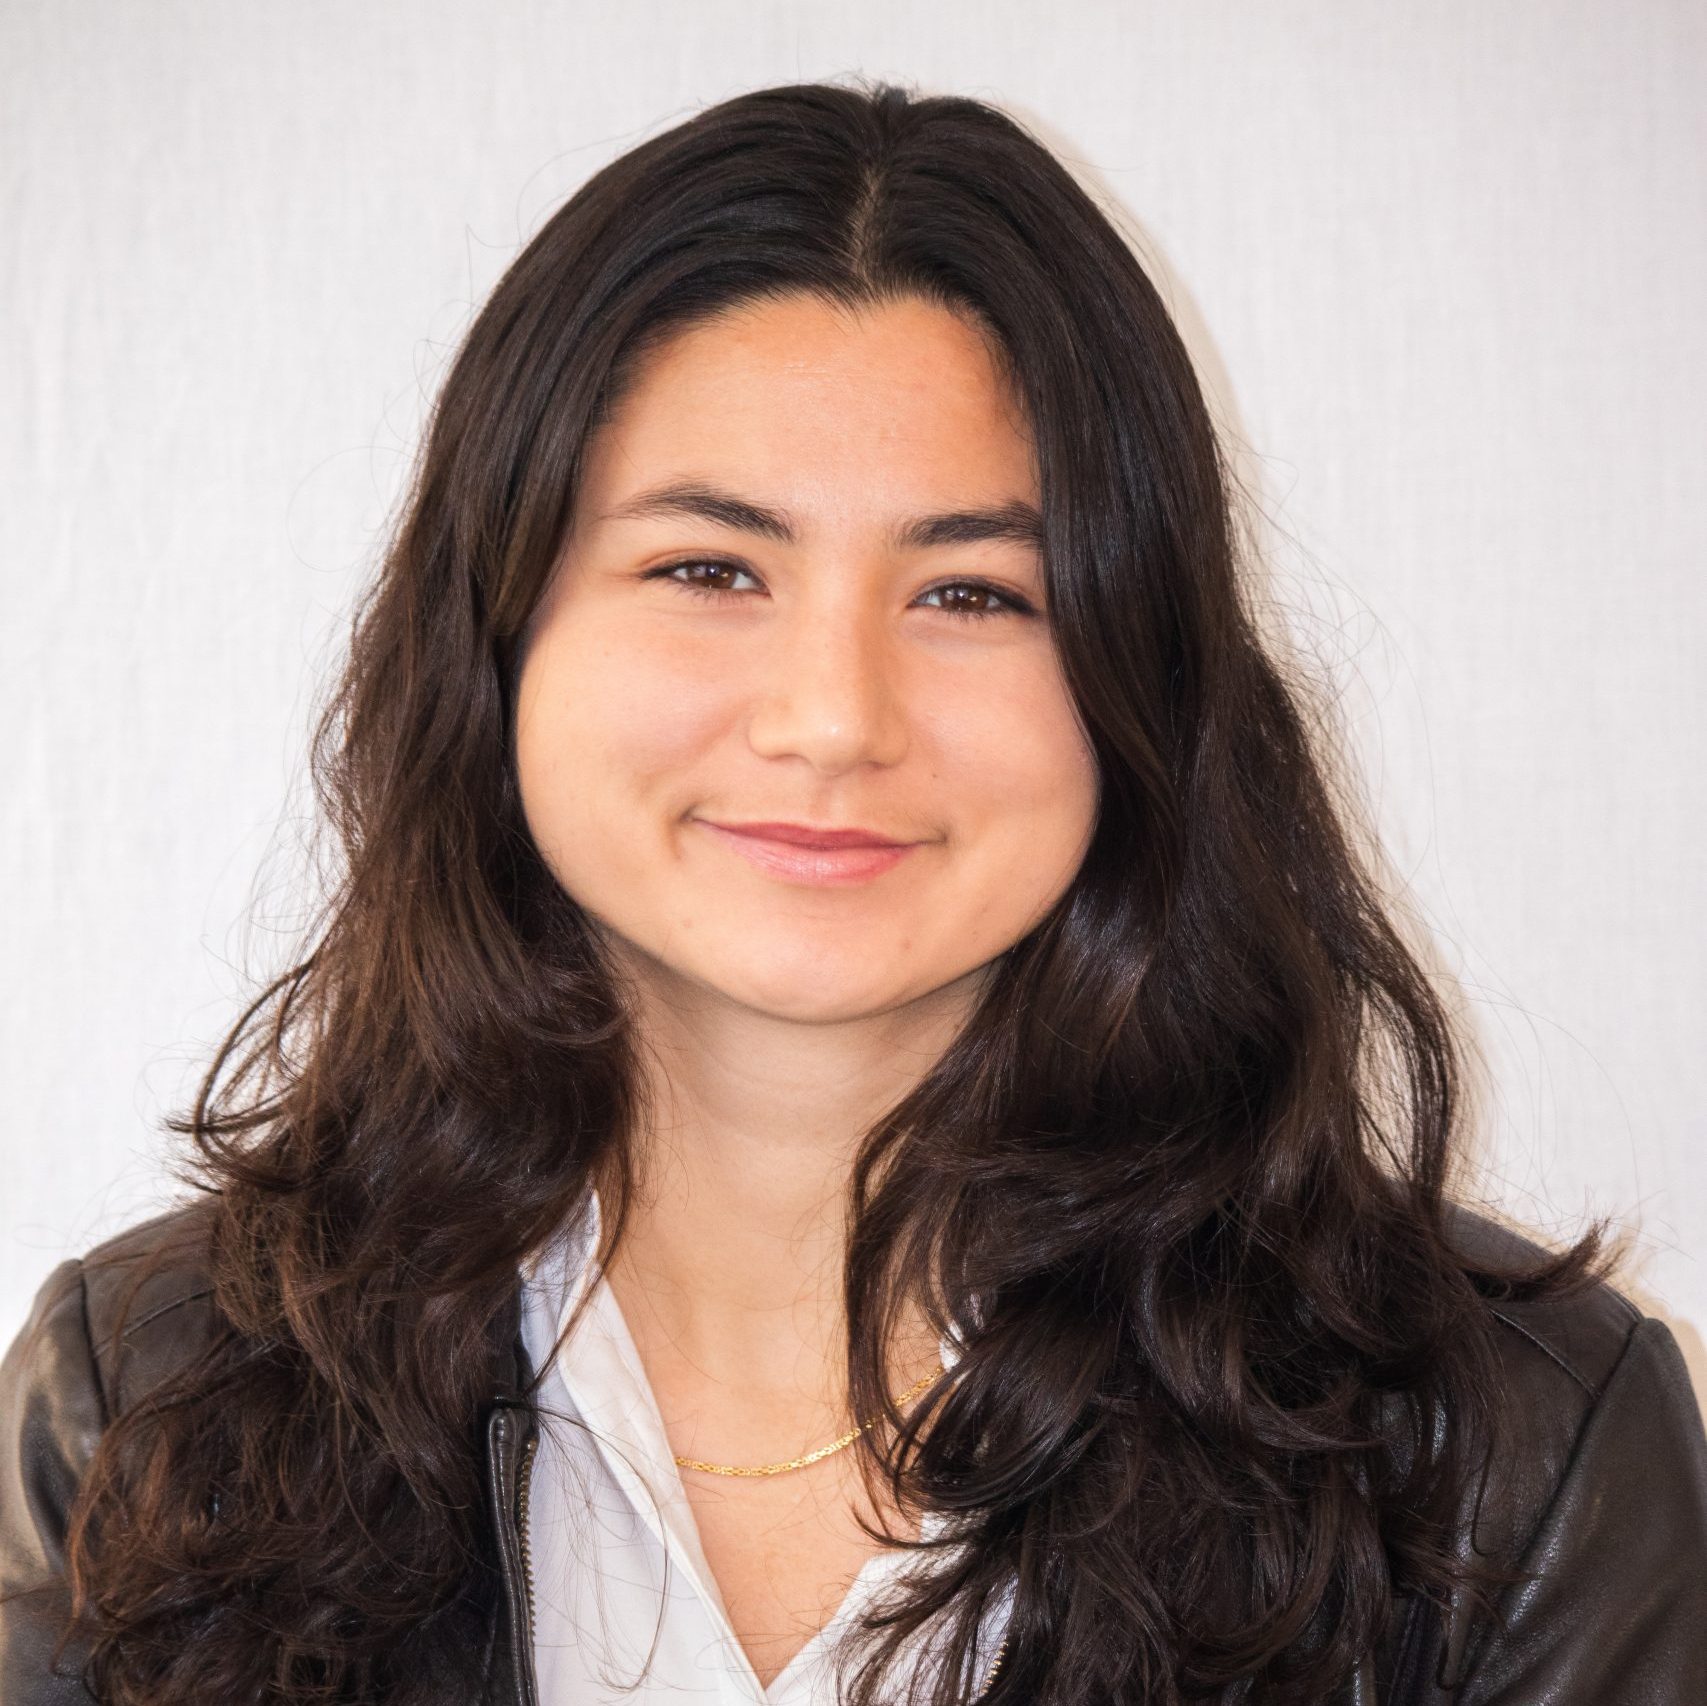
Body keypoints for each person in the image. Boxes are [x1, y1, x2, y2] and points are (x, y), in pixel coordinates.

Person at [2, 76, 1704, 1706]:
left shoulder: (1519, 1462)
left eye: (973, 593)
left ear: (1144, 675)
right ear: (499, 641)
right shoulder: (144, 1400)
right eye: (709, 566)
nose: (832, 718)